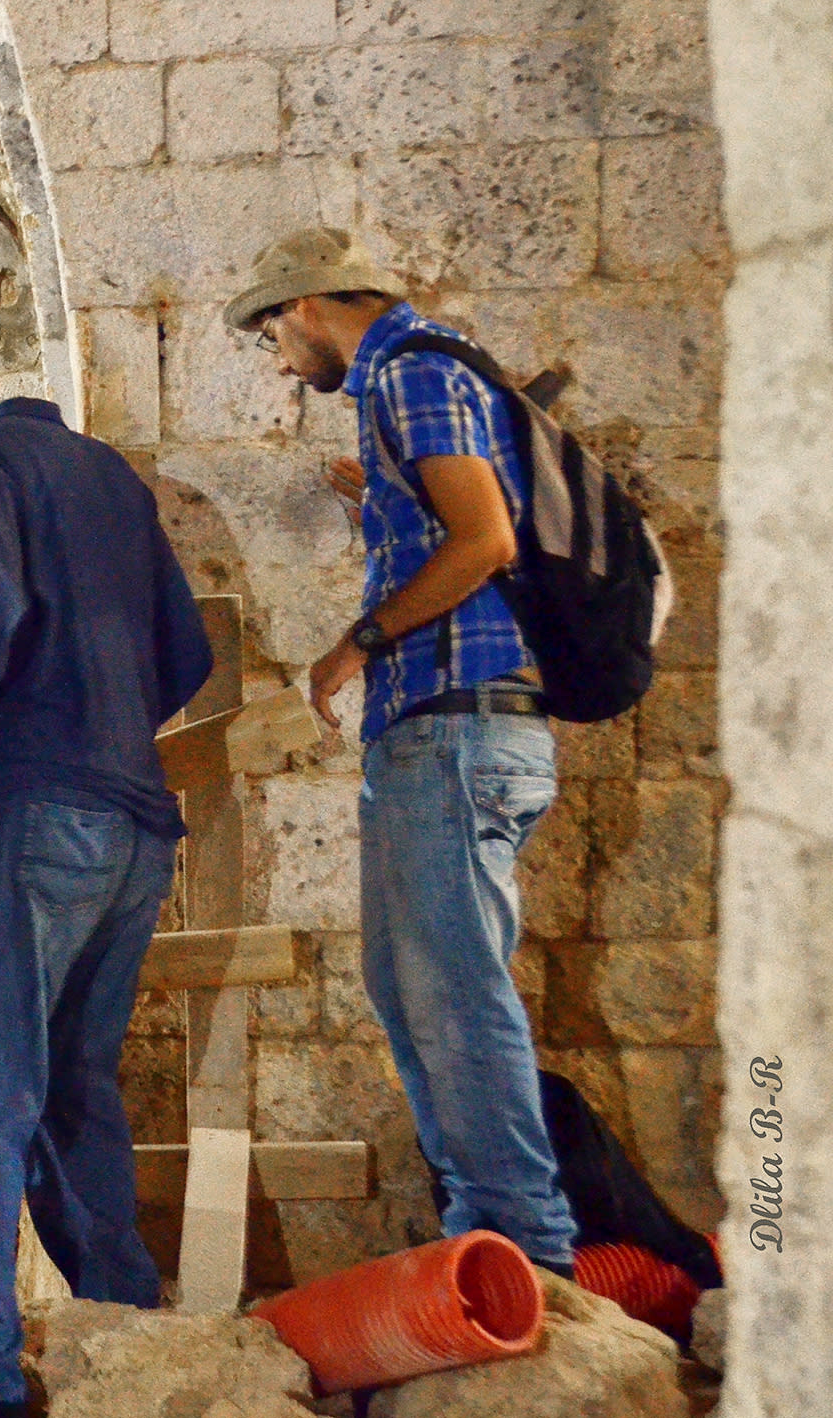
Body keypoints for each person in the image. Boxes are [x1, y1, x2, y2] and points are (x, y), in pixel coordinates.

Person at [223, 226, 579, 1275]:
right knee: (405, 977)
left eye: (268, 339)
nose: (279, 365)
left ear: (302, 306)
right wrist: (372, 498)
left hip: (452, 724)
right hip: (446, 729)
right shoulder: (417, 382)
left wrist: (352, 643)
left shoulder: (409, 372)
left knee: (450, 987)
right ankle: (485, 1223)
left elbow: (484, 540)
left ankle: (525, 1247)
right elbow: (456, 524)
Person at [0, 375, 213, 1418]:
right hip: (132, 831)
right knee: (71, 1089)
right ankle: (125, 1340)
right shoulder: (108, 475)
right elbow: (187, 654)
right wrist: (96, 726)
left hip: (21, 821)